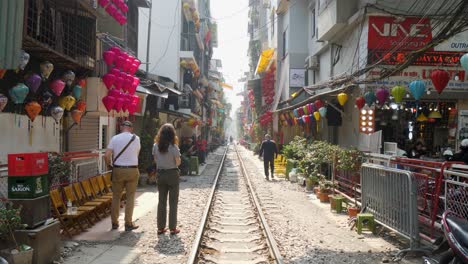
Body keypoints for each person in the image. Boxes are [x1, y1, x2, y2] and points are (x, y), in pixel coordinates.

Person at [105, 121, 141, 231]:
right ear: (131, 128)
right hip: (132, 169)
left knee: (116, 197)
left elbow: (107, 155)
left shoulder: (115, 138)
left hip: (118, 169)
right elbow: (137, 154)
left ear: (121, 128)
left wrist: (109, 165)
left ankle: (115, 223)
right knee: (130, 197)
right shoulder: (136, 139)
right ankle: (128, 223)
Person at [153, 124, 182, 235]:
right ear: (172, 134)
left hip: (160, 174)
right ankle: (172, 228)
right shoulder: (174, 147)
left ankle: (160, 228)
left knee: (161, 201)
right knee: (173, 202)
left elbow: (156, 160)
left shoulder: (155, 146)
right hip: (172, 174)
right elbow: (178, 162)